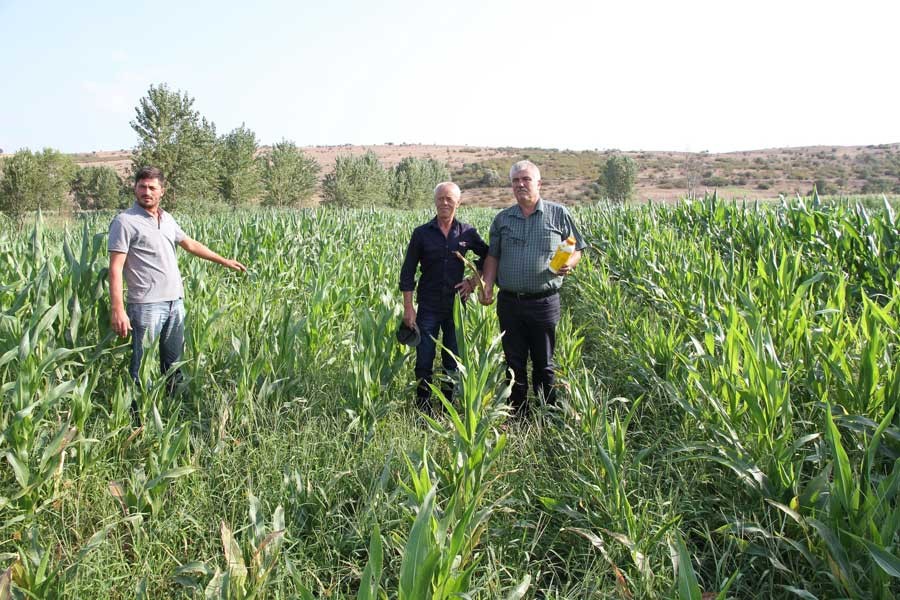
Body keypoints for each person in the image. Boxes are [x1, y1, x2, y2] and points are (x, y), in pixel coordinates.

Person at [108, 166, 247, 393]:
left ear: (162, 191)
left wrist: (224, 260)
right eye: (142, 186)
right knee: (142, 365)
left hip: (175, 302)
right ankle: (138, 417)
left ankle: (173, 408)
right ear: (134, 188)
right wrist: (118, 309)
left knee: (173, 364)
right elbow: (115, 267)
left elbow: (190, 244)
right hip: (145, 305)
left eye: (152, 187)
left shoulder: (168, 219)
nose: (146, 192)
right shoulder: (125, 222)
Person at [480, 160, 586, 415]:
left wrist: (569, 263)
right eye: (515, 181)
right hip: (510, 302)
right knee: (513, 361)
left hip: (544, 301)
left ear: (539, 183)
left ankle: (547, 411)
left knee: (544, 361)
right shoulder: (503, 219)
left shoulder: (558, 213)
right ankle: (518, 413)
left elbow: (578, 248)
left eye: (525, 179)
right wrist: (487, 285)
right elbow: (492, 256)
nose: (520, 185)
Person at [399, 182, 488, 412]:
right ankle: (423, 407)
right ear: (435, 201)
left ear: (458, 202)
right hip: (428, 305)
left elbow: (488, 257)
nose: (444, 203)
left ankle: (448, 406)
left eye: (449, 199)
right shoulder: (421, 234)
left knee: (452, 358)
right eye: (440, 198)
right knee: (424, 358)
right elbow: (407, 272)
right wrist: (409, 308)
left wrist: (472, 282)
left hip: (456, 305)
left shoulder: (467, 233)